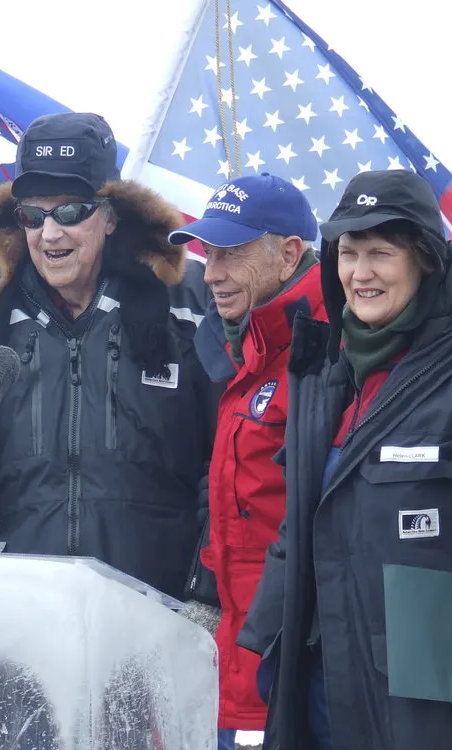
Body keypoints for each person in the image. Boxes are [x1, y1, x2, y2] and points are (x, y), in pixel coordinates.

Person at [238, 169, 452, 750]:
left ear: (425, 260)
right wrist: (274, 637)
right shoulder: (327, 371)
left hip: (436, 688)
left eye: (381, 253)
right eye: (348, 253)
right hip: (323, 677)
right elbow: (300, 518)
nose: (360, 273)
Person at [0, 112, 218, 603]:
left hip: (158, 615)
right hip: (13, 616)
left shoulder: (189, 301)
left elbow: (230, 469)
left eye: (70, 212)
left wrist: (207, 595)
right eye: (33, 215)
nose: (50, 234)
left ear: (111, 215)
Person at [168, 173, 323, 750]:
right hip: (242, 660)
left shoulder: (329, 354)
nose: (209, 274)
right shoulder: (247, 355)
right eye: (208, 254)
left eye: (229, 254)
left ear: (288, 254)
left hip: (301, 669)